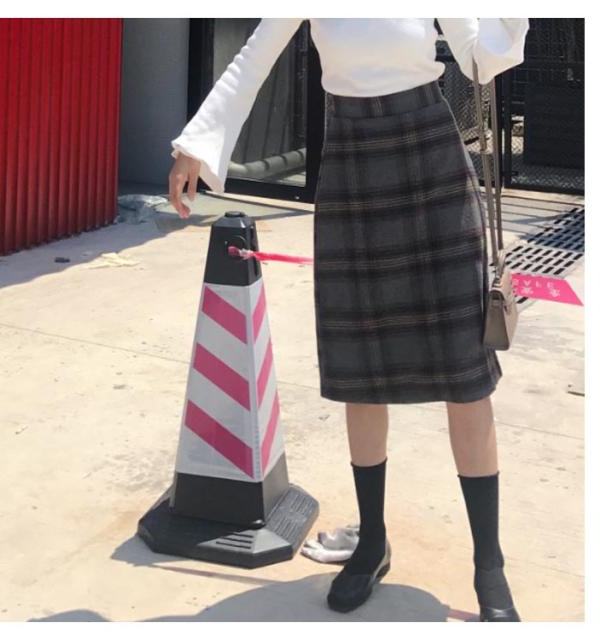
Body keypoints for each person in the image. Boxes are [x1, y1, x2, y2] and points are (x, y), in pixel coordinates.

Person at [168, 18, 530, 620]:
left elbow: (480, 58)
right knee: (362, 369)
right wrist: (195, 145)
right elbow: (254, 58)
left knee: (466, 373)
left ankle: (489, 565)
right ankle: (372, 542)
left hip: (432, 157)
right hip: (353, 157)